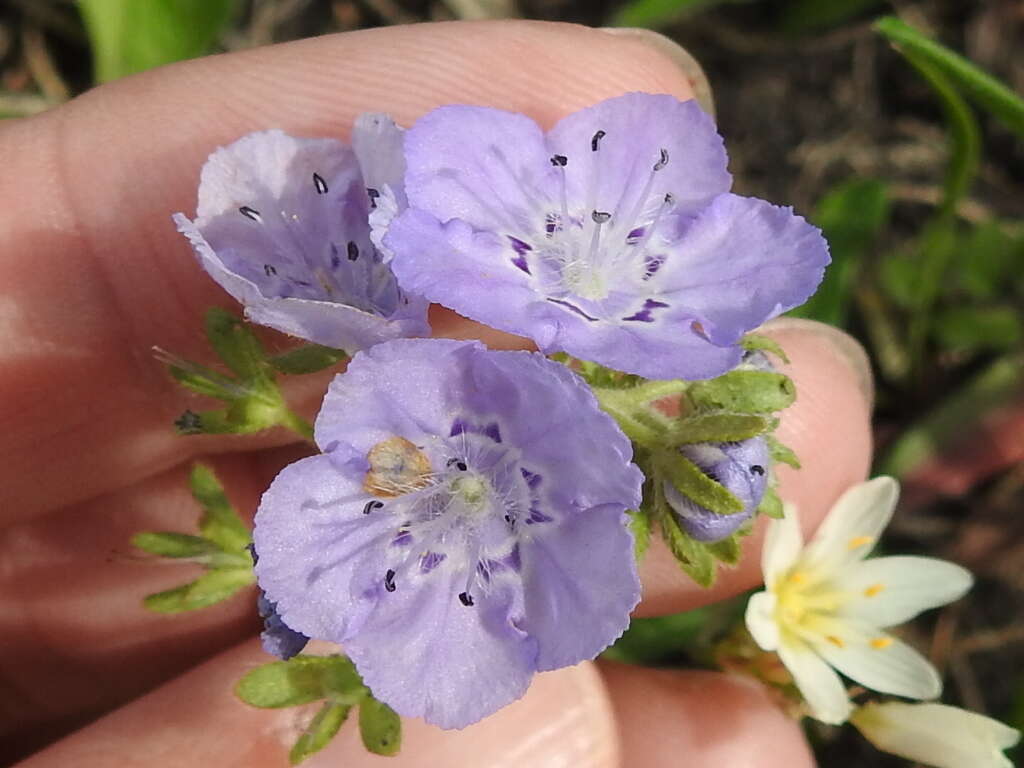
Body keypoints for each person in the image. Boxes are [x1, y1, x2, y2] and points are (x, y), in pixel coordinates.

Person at [0, 21, 874, 767]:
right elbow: (439, 405)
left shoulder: (532, 409)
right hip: (450, 405)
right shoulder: (453, 381)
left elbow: (516, 428)